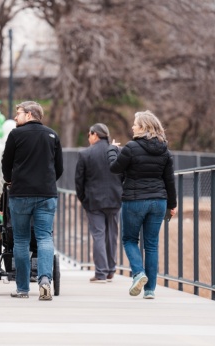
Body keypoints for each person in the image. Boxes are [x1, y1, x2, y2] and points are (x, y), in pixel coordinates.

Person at [107, 110, 177, 299]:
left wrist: (112, 150)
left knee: (130, 240)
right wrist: (173, 204)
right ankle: (150, 290)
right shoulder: (165, 150)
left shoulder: (130, 148)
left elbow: (114, 168)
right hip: (159, 202)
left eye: (135, 124)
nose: (132, 126)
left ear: (144, 127)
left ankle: (138, 274)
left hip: (135, 201)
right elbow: (169, 180)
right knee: (152, 245)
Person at [1, 101, 63, 300]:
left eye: (18, 113)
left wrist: (10, 180)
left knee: (21, 240)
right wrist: (47, 182)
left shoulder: (15, 135)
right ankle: (45, 281)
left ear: (29, 115)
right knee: (44, 236)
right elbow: (59, 167)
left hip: (20, 193)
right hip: (46, 193)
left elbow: (6, 163)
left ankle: (22, 288)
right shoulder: (52, 135)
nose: (15, 117)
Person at [75, 123, 123, 283]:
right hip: (115, 199)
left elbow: (79, 182)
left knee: (98, 235)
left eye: (89, 134)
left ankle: (101, 272)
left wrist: (84, 199)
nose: (89, 137)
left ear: (95, 134)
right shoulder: (117, 151)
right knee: (112, 235)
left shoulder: (85, 154)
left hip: (94, 201)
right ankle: (110, 270)